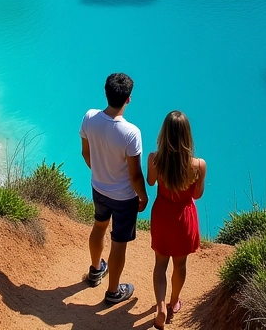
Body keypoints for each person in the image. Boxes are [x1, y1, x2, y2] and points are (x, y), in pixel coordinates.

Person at [80, 72, 148, 305]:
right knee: (119, 242)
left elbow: (85, 153)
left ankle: (96, 269)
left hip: (98, 188)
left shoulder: (89, 117)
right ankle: (113, 292)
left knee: (99, 226)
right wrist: (143, 196)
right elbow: (135, 174)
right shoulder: (132, 133)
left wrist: (99, 171)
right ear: (128, 99)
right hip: (124, 197)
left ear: (106, 93)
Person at [146, 111, 206, 328]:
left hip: (162, 214)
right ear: (187, 135)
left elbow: (151, 182)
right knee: (180, 264)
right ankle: (173, 302)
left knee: (160, 264)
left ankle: (160, 305)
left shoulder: (154, 159)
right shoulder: (198, 165)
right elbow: (197, 194)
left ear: (164, 133)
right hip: (184, 218)